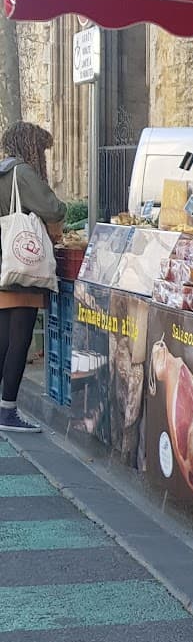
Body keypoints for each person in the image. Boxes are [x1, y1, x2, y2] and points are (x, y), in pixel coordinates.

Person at [0, 122, 65, 432]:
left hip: (3, 263)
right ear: (31, 147)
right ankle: (8, 411)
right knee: (20, 338)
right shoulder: (22, 173)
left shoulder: (1, 170)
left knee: (3, 338)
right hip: (21, 266)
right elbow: (53, 209)